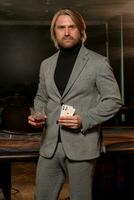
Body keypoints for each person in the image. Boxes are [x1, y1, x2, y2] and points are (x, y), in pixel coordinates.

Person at [28, 8, 122, 200]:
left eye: (72, 27)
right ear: (55, 32)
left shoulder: (98, 63)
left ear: (81, 30)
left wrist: (85, 119)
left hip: (82, 144)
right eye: (61, 27)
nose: (67, 32)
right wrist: (37, 114)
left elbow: (113, 100)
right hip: (49, 146)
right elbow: (41, 97)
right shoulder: (46, 64)